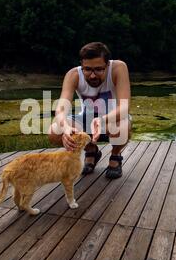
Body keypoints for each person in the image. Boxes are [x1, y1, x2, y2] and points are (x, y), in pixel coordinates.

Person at [48, 42, 131, 179]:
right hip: (87, 120)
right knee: (54, 131)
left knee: (122, 126)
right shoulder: (73, 74)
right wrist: (66, 127)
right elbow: (61, 109)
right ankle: (91, 150)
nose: (92, 75)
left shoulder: (118, 68)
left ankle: (115, 155)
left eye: (98, 69)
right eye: (87, 69)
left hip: (111, 120)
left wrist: (102, 120)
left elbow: (124, 107)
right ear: (81, 65)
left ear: (107, 65)